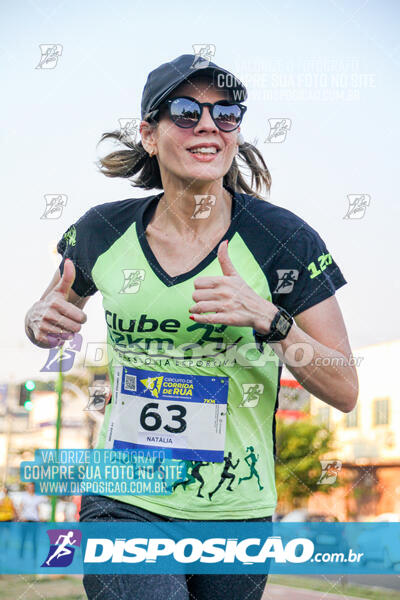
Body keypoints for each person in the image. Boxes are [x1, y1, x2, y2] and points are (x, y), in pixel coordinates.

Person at [24, 53, 358, 599]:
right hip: (126, 498)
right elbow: (46, 313)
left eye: (226, 113)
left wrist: (270, 320)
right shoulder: (101, 231)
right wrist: (39, 321)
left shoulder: (283, 240)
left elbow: (345, 387)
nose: (208, 124)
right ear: (149, 136)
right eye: (185, 111)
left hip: (236, 507)